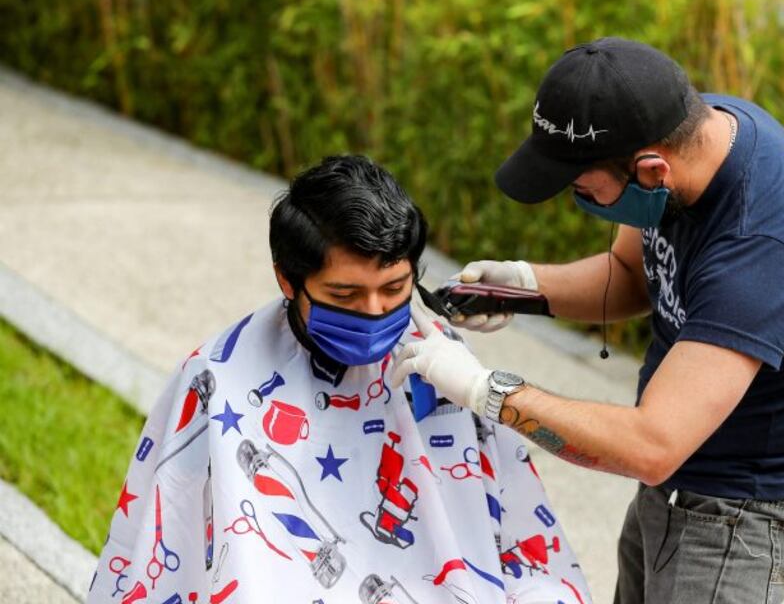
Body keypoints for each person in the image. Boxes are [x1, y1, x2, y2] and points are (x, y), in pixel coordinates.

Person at [392, 37, 784, 603]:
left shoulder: (761, 245)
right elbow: (631, 274)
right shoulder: (684, 129)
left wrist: (482, 389)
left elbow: (651, 443)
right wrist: (525, 288)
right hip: (676, 480)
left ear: (652, 169)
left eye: (583, 190)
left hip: (739, 512)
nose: (576, 201)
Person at [87, 155, 592, 604]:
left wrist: (488, 390)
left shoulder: (443, 363)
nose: (374, 313)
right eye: (346, 295)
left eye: (394, 288)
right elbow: (164, 540)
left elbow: (522, 539)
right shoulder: (218, 377)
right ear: (287, 278)